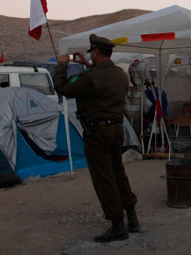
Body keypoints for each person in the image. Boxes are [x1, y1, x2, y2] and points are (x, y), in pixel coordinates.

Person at [53, 34, 140, 243]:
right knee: (118, 172)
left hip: (97, 133)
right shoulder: (119, 74)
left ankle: (117, 224)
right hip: (117, 129)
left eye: (91, 52)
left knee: (104, 178)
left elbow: (62, 88)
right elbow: (101, 81)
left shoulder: (91, 77)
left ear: (97, 52)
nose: (90, 55)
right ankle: (132, 218)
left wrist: (62, 65)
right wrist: (89, 66)